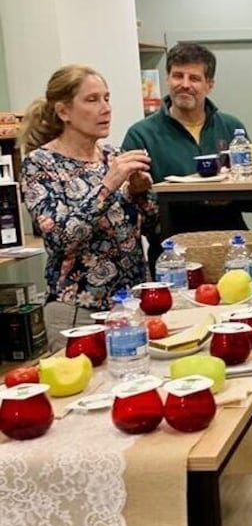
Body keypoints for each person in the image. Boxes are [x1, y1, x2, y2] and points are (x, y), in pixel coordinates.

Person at [18, 65, 157, 351]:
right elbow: (59, 239)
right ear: (64, 111)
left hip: (130, 307)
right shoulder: (40, 165)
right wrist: (108, 185)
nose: (105, 108)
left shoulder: (113, 156)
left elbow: (152, 226)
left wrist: (141, 194)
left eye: (107, 98)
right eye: (92, 100)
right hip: (78, 313)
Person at [121, 43, 252, 266]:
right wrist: (137, 189)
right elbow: (132, 213)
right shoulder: (141, 135)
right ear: (168, 78)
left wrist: (231, 196)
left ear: (210, 85)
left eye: (194, 78)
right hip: (172, 258)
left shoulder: (231, 128)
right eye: (178, 76)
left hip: (231, 251)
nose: (185, 85)